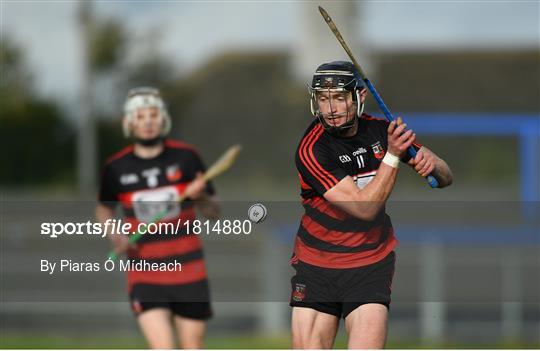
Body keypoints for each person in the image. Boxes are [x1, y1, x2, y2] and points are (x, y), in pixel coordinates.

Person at [290, 61, 452, 349]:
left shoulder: (381, 132)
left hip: (369, 265)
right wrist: (392, 156)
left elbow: (445, 176)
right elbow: (365, 209)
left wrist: (434, 166)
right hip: (317, 266)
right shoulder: (312, 149)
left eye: (339, 97)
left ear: (360, 97)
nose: (330, 109)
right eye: (323, 99)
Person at [96, 87, 219, 349]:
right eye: (140, 116)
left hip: (190, 272)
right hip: (146, 274)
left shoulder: (187, 157)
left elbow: (213, 212)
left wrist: (200, 197)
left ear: (163, 118)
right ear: (129, 122)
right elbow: (104, 210)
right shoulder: (115, 167)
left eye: (153, 114)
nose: (148, 121)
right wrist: (115, 235)